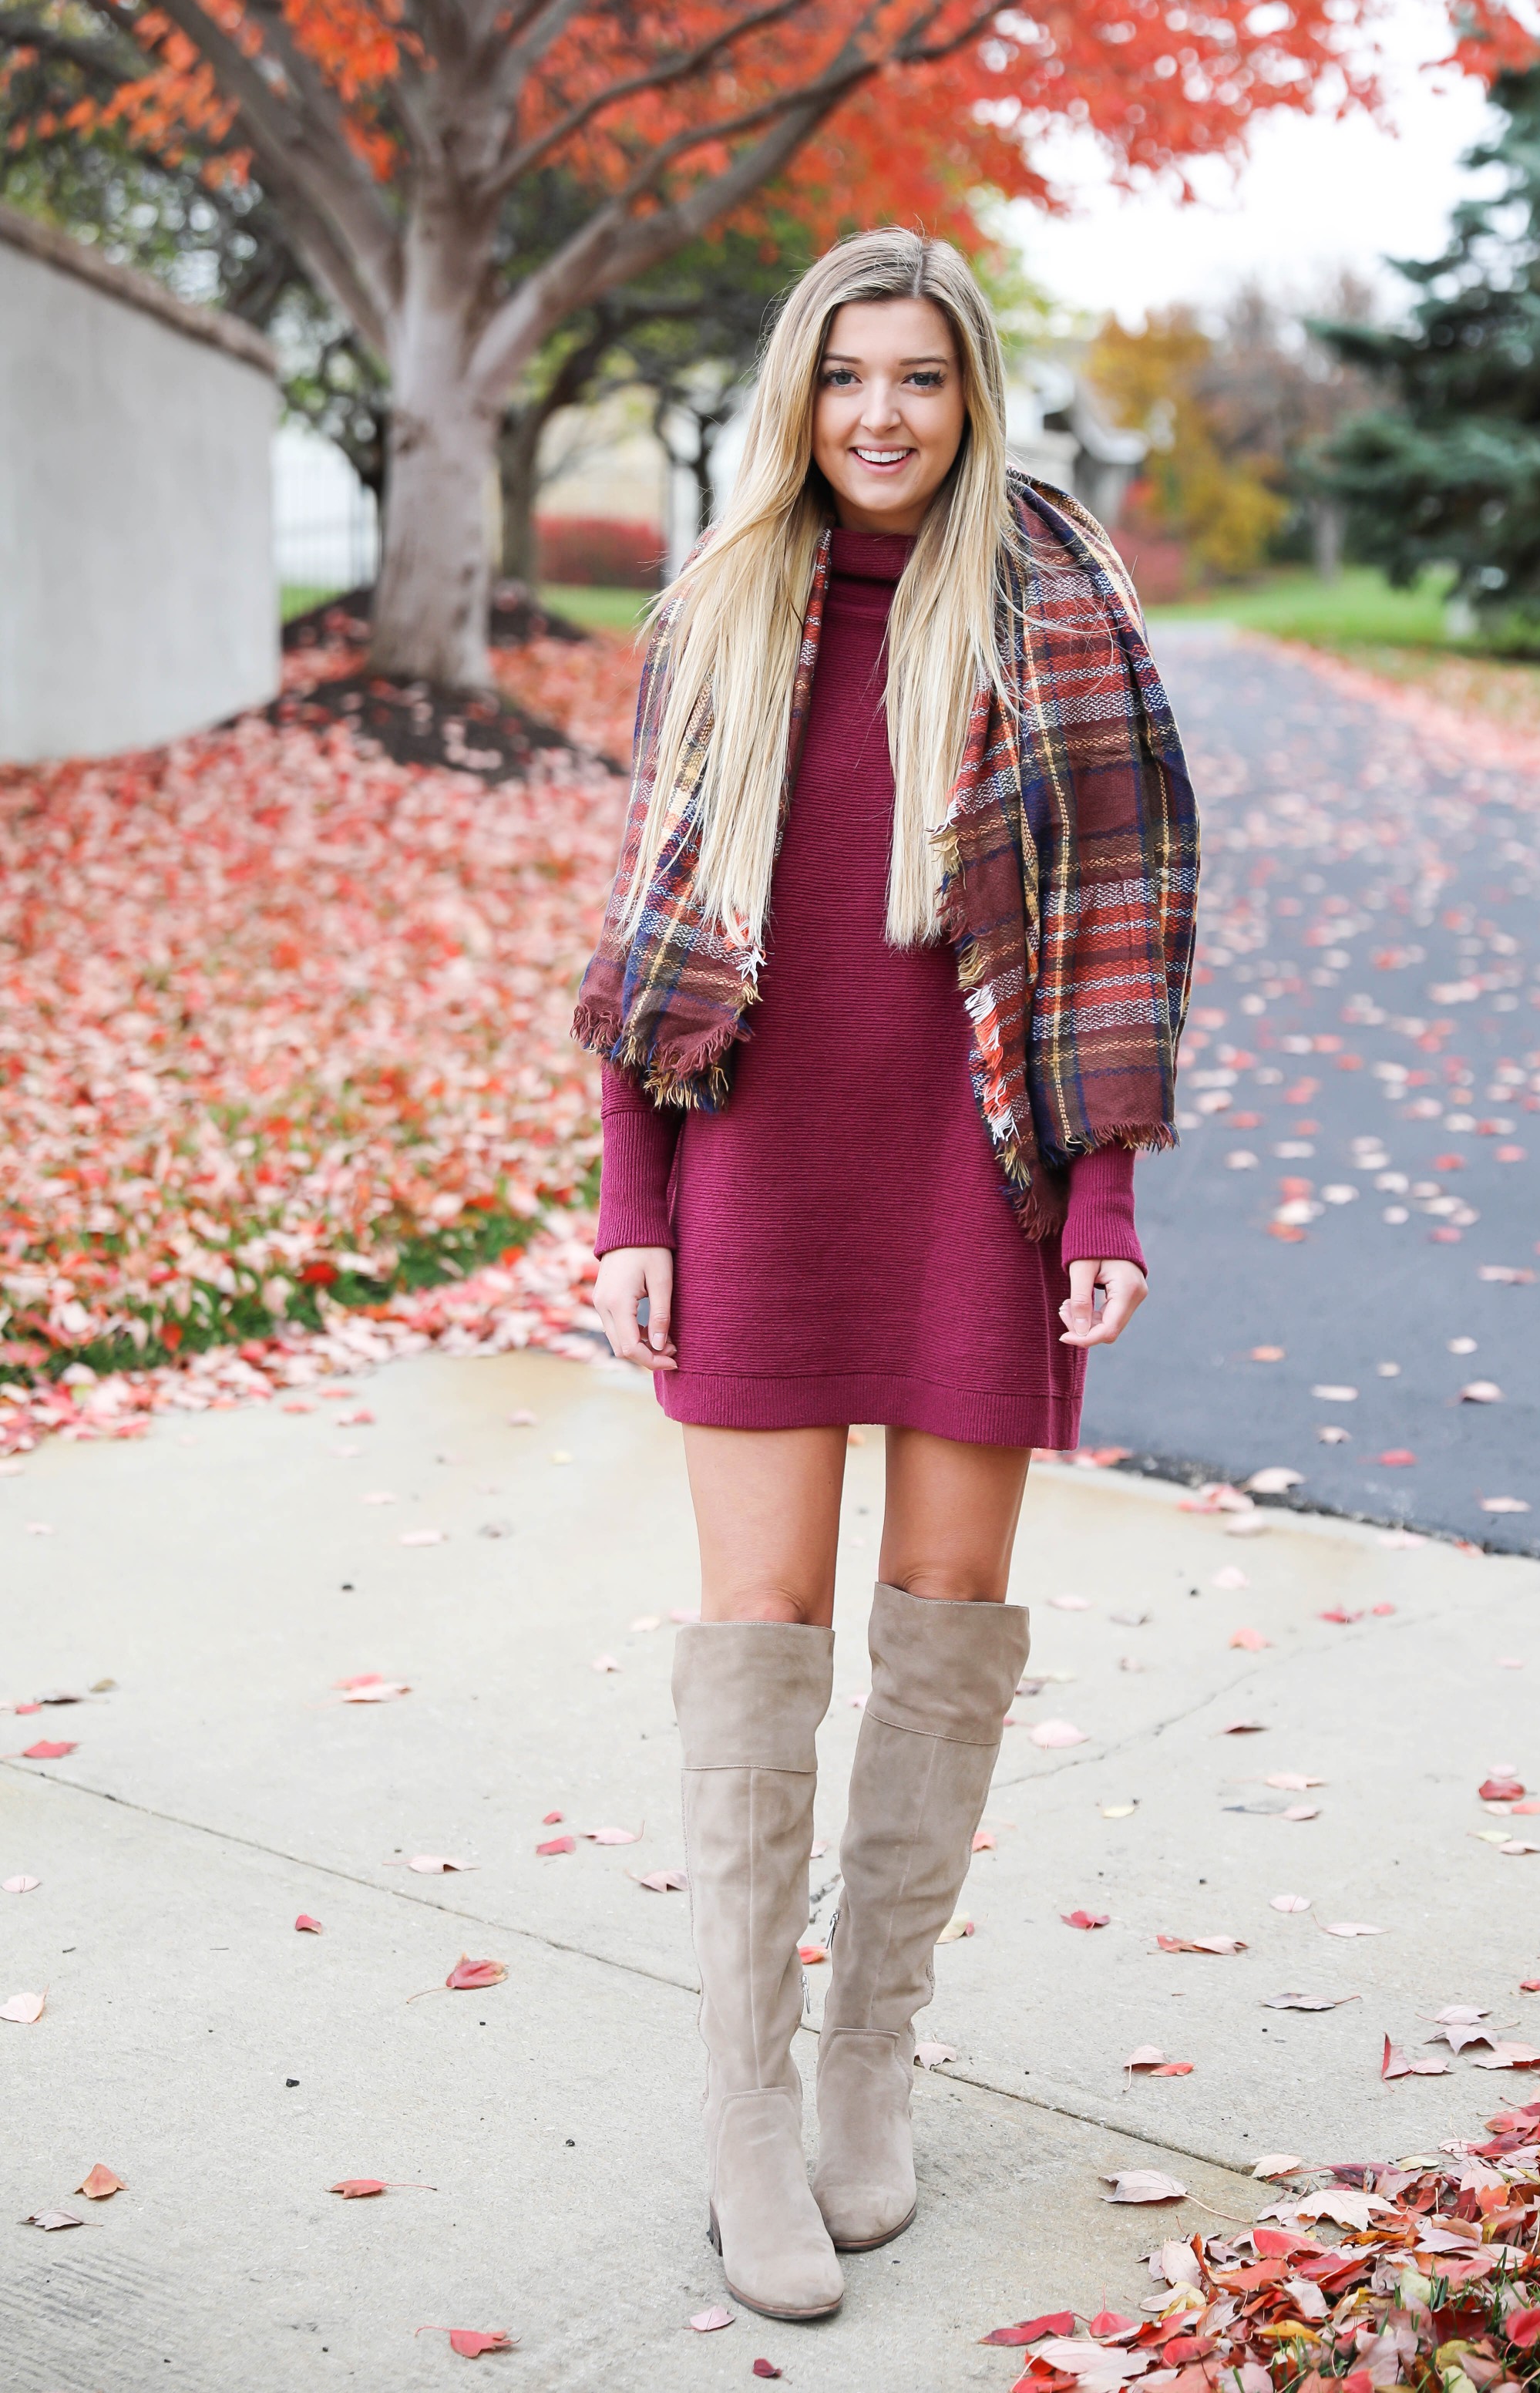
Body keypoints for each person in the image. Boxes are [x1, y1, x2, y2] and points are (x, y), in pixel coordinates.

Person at [574, 227, 1197, 2321]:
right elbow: (644, 936)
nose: (882, 414)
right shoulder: (717, 611)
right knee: (758, 1630)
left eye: (921, 377)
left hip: (973, 1167)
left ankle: (862, 2073)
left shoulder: (1052, 614)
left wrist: (1100, 1205)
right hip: (758, 1157)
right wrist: (632, 1212)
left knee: (945, 1620)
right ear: (799, 393)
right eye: (848, 377)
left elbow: (1118, 924)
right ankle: (747, 2108)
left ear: (970, 394)